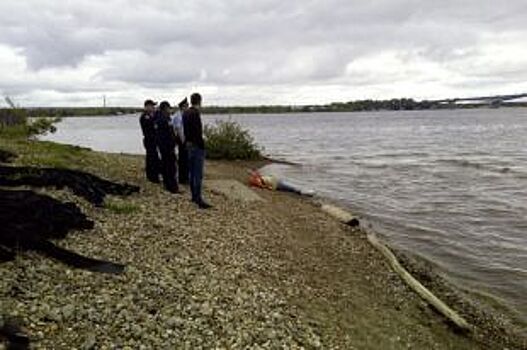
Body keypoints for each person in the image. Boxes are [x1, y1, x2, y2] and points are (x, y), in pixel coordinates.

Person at [183, 93, 212, 209]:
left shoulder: (186, 113)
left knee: (191, 172)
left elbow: (186, 130)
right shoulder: (195, 113)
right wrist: (202, 146)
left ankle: (193, 196)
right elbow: (198, 132)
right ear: (199, 101)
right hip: (196, 146)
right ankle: (198, 198)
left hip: (188, 145)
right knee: (198, 174)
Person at [154, 101, 179, 193]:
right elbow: (168, 134)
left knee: (166, 166)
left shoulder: (160, 117)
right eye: (169, 108)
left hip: (164, 146)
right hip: (167, 147)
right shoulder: (164, 118)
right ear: (165, 108)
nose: (170, 110)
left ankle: (167, 185)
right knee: (171, 167)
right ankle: (172, 187)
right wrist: (172, 142)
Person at [139, 99, 160, 183]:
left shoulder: (150, 115)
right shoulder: (145, 116)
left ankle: (153, 175)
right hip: (149, 139)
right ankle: (152, 177)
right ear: (147, 106)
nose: (153, 108)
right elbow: (152, 126)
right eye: (152, 106)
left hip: (153, 139)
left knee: (153, 158)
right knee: (151, 158)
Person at [173, 97, 189, 184]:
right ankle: (182, 179)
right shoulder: (178, 116)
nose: (187, 107)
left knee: (185, 159)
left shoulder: (184, 115)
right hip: (181, 139)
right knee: (183, 159)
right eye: (186, 106)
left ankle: (185, 177)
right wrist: (183, 141)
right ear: (182, 107)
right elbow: (179, 129)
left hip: (184, 139)